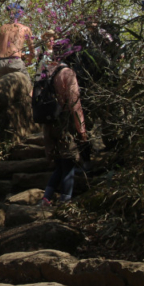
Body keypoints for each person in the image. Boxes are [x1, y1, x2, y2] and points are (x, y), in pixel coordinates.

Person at [40, 52, 88, 206]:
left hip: (49, 123)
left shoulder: (45, 73)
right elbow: (75, 103)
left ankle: (46, 198)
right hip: (64, 121)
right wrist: (81, 130)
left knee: (60, 164)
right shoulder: (68, 73)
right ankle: (65, 200)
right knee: (68, 162)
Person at [0, 2, 35, 80]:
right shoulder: (25, 29)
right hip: (15, 62)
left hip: (1, 63)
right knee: (28, 86)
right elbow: (32, 51)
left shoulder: (0, 29)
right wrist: (27, 58)